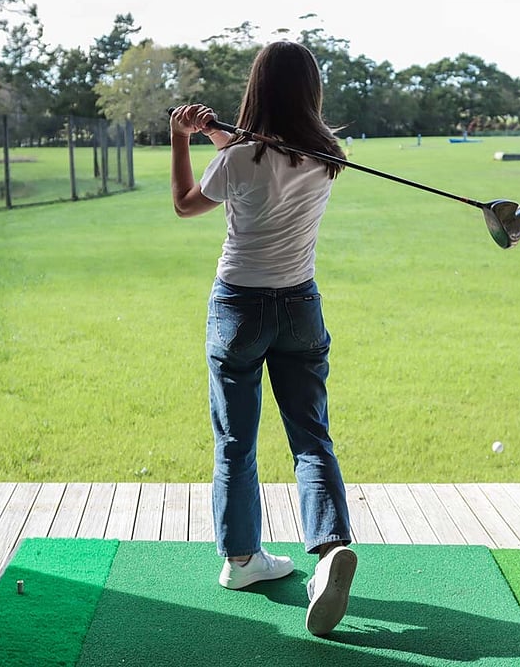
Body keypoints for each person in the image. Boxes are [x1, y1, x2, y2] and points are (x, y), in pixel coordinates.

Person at [169, 40, 357, 637]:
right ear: (311, 93)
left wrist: (182, 138)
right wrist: (219, 140)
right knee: (311, 436)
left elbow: (185, 205)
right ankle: (329, 550)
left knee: (235, 441)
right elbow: (264, 166)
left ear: (256, 90)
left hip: (239, 309)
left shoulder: (240, 159)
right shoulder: (328, 156)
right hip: (300, 306)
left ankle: (243, 559)